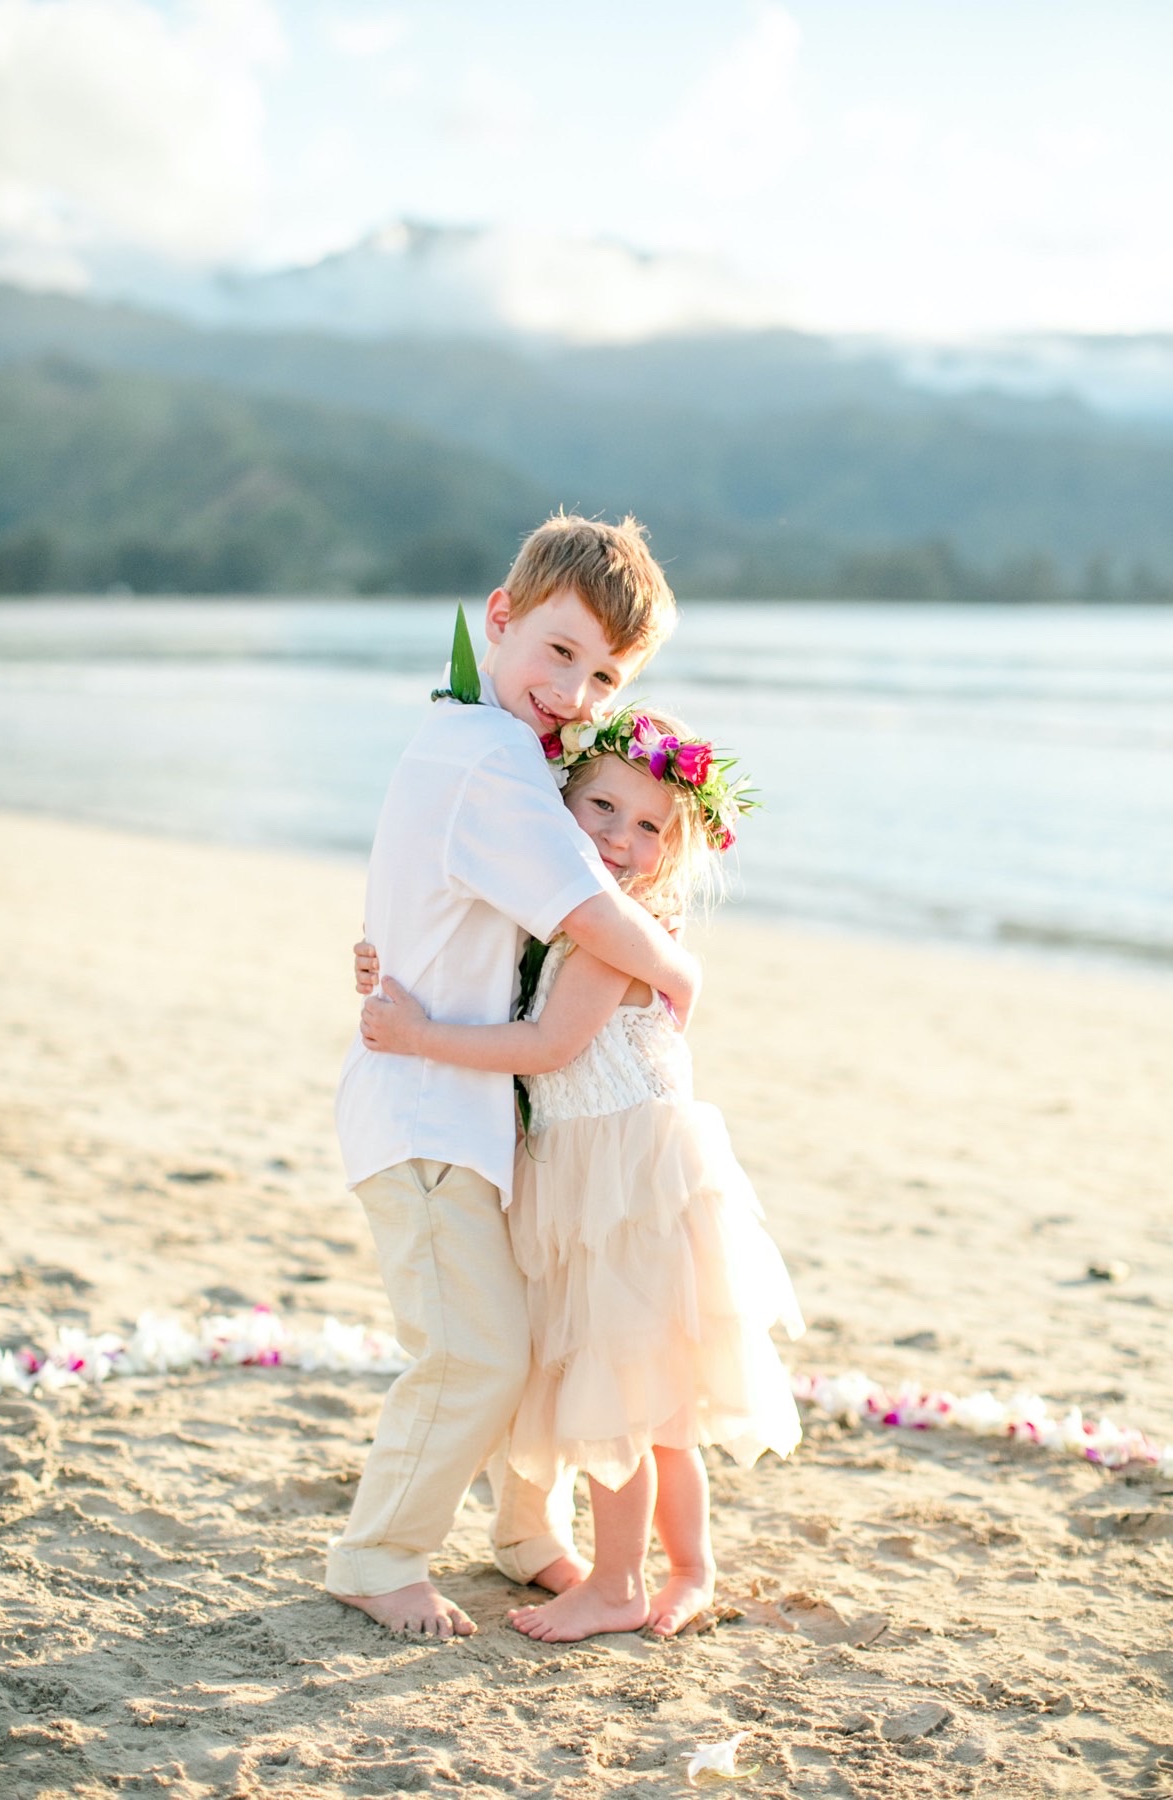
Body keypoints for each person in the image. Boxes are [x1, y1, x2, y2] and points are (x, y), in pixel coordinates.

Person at [328, 513, 699, 1639]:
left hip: (462, 1108)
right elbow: (593, 912)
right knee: (477, 1352)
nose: (577, 691)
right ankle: (378, 1555)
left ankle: (526, 1536)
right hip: (430, 1112)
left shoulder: (471, 743)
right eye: (559, 653)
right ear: (500, 617)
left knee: (523, 1343)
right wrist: (679, 969)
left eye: (604, 674)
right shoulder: (491, 760)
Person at [360, 705, 804, 1642]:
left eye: (649, 827)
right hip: (613, 1174)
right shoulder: (584, 923)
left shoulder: (618, 931)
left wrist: (415, 1035)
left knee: (626, 1390)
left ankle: (620, 1584)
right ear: (557, 804)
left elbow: (549, 1045)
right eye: (601, 807)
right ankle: (688, 1569)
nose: (619, 837)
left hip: (625, 1181)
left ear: (674, 854)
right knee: (657, 1392)